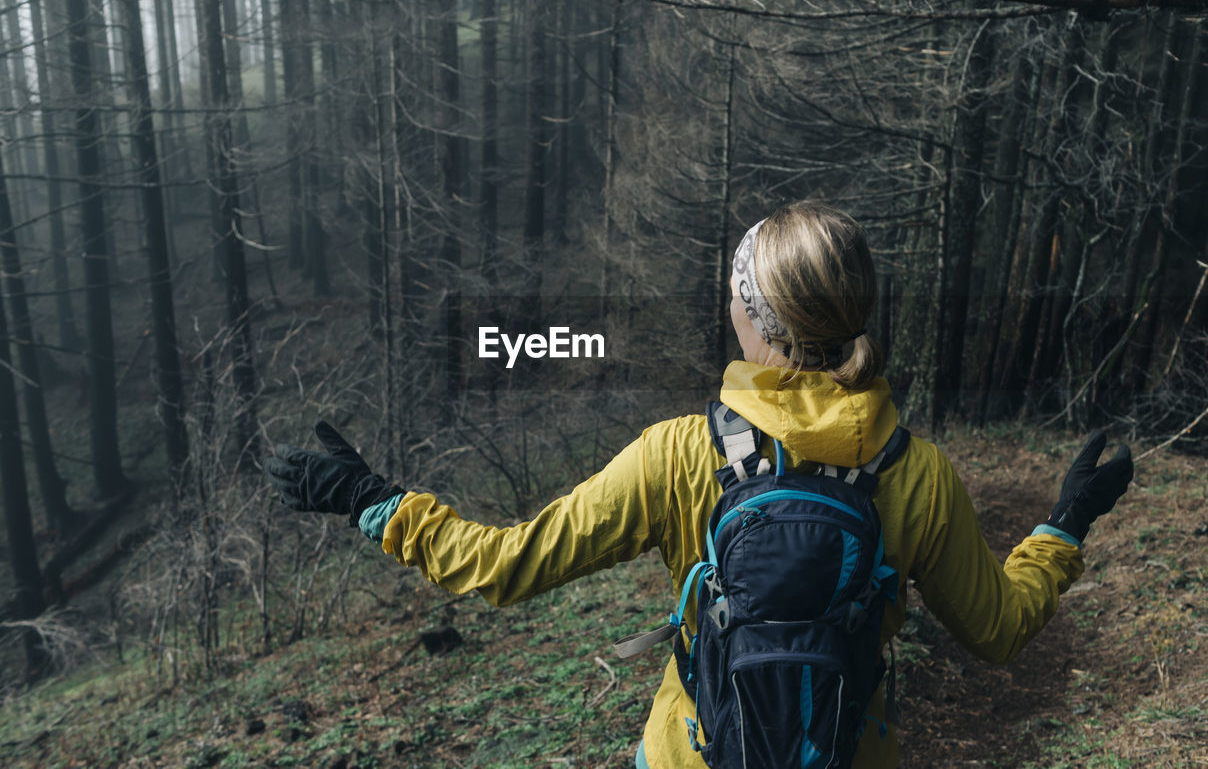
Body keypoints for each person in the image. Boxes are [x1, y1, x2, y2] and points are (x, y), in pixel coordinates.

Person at [265, 202, 1133, 767]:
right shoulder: (918, 474)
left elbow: (503, 566)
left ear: (754, 319)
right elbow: (1001, 629)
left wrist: (371, 500)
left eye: (734, 291)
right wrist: (1064, 524)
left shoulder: (678, 455)